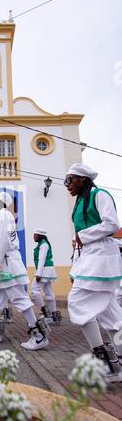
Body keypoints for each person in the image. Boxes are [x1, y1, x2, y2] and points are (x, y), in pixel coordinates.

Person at [65, 163, 122, 382]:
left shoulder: (100, 194)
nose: (67, 185)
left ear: (83, 179)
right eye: (66, 181)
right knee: (110, 313)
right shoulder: (80, 201)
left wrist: (84, 236)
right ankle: (117, 366)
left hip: (101, 256)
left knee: (78, 302)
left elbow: (112, 224)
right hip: (91, 256)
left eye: (71, 180)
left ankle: (104, 363)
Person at [0, 191, 50, 350]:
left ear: (1, 202)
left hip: (7, 265)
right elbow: (2, 239)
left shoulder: (3, 214)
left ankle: (38, 336)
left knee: (20, 299)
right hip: (5, 263)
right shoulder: (5, 216)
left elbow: (4, 239)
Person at [31, 229, 61, 324]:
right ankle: (53, 316)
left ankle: (46, 314)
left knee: (34, 291)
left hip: (44, 271)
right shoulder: (43, 244)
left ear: (40, 236)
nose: (33, 237)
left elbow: (42, 260)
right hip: (48, 271)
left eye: (35, 235)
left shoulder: (43, 244)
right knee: (49, 293)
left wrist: (38, 273)